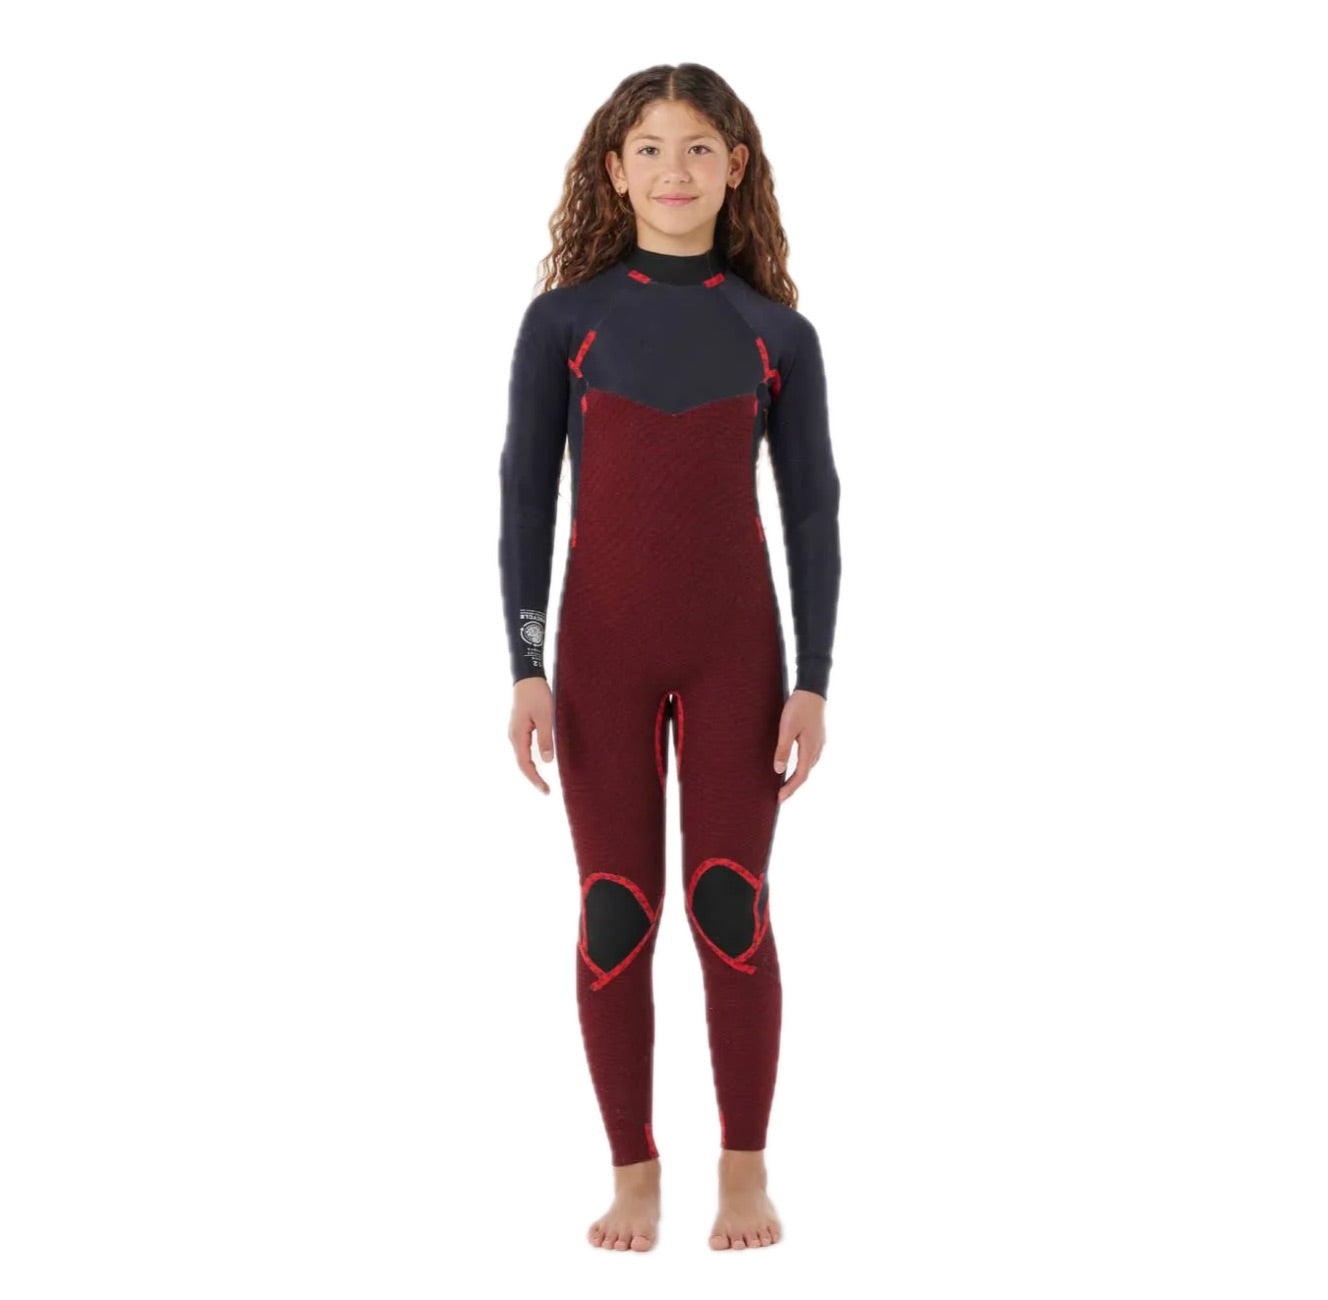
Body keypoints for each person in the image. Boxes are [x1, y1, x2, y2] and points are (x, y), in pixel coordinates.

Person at [498, 63, 841, 1253]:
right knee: (614, 912)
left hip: (737, 657)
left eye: (698, 147)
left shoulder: (775, 334)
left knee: (728, 904)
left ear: (734, 168)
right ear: (613, 169)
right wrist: (525, 663)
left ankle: (743, 1170)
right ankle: (633, 1172)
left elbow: (811, 513)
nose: (673, 170)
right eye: (647, 148)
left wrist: (812, 679)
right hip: (597, 657)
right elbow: (523, 498)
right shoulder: (564, 323)